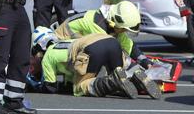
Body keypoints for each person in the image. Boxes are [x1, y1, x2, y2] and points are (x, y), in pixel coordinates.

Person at [30, 27, 161, 99]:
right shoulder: (64, 42)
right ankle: (135, 77)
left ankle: (110, 81)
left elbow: (50, 88)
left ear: (38, 47)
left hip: (92, 48)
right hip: (111, 41)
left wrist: (32, 87)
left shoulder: (47, 56)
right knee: (121, 80)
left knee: (80, 88)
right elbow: (69, 79)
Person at [54, 1, 160, 71]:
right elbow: (113, 53)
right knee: (104, 56)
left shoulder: (112, 24)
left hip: (74, 45)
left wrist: (145, 61)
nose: (123, 31)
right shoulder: (97, 26)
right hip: (60, 49)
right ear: (115, 22)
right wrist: (136, 70)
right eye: (123, 29)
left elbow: (128, 45)